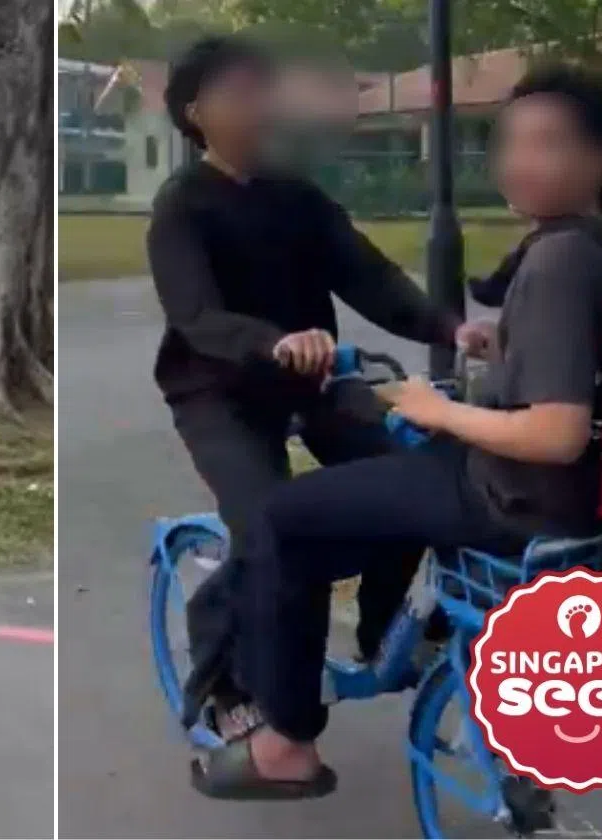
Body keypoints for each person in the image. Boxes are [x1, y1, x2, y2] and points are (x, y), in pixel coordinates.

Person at [190, 64, 602, 800]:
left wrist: (435, 408)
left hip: (515, 498)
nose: (520, 161)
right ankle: (398, 636)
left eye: (548, 144)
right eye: (510, 143)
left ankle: (284, 743)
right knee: (386, 481)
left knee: (284, 518)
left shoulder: (558, 263)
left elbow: (556, 433)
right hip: (593, 508)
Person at [148, 35, 493, 733]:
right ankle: (222, 681)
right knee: (266, 525)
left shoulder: (297, 198)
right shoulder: (182, 206)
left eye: (263, 90)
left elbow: (369, 277)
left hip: (313, 383)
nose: (258, 106)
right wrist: (272, 342)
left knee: (416, 476)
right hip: (219, 393)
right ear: (195, 113)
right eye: (237, 93)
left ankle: (382, 631)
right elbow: (197, 316)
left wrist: (449, 327)